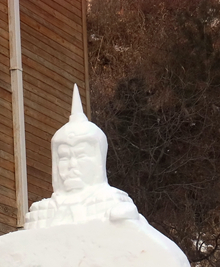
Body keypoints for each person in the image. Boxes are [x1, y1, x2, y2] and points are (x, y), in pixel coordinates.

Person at [24, 85, 139, 230]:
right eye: (64, 157)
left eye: (81, 155)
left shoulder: (114, 202)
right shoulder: (42, 212)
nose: (72, 165)